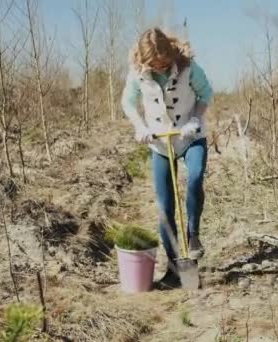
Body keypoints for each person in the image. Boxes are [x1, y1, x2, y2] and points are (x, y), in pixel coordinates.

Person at [121, 27, 213, 288]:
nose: (160, 67)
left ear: (170, 53)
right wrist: (140, 126)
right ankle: (174, 269)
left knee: (195, 177)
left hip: (190, 135)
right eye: (154, 64)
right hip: (161, 143)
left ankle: (193, 236)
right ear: (143, 60)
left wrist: (195, 118)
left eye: (163, 61)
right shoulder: (137, 75)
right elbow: (127, 103)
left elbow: (206, 93)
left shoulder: (188, 67)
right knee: (164, 209)